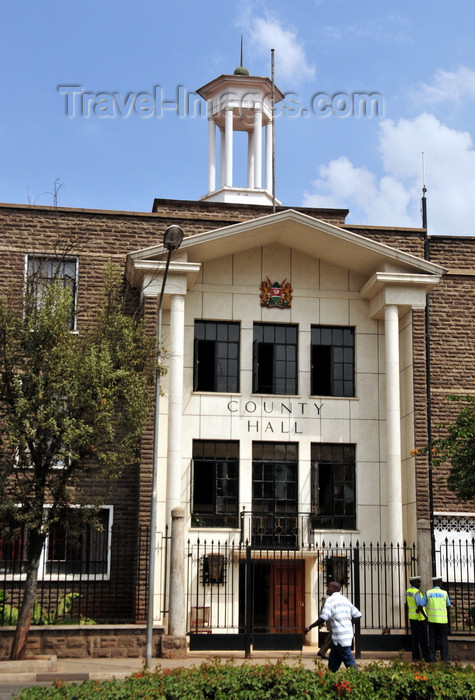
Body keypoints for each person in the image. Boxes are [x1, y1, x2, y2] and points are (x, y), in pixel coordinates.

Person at [305, 581, 362, 672]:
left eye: (328, 587)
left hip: (340, 638)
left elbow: (323, 617)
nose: (327, 589)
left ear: (334, 589)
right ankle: (329, 678)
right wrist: (349, 624)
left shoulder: (330, 600)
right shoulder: (345, 600)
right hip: (342, 637)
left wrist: (310, 627)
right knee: (333, 662)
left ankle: (359, 680)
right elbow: (358, 614)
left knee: (350, 663)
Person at [422, 575, 451, 662]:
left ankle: (432, 659)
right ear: (438, 583)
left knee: (432, 640)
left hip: (432, 620)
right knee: (443, 640)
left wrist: (425, 617)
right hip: (442, 621)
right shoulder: (444, 593)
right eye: (441, 582)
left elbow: (420, 605)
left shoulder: (428, 593)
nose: (442, 583)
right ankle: (444, 659)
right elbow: (448, 606)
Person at [405, 575, 431, 662]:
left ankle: (415, 657)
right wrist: (425, 617)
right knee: (423, 639)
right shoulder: (417, 593)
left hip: (412, 618)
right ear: (414, 583)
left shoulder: (408, 591)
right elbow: (420, 605)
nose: (419, 584)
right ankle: (427, 657)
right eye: (418, 582)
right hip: (419, 618)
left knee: (414, 638)